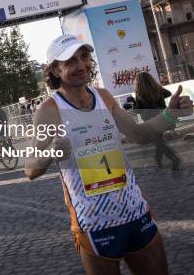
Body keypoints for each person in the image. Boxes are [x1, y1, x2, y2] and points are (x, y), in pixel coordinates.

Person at [25, 34, 192, 275]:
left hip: (135, 212)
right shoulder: (49, 110)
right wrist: (51, 152)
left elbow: (138, 134)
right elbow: (30, 169)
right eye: (70, 61)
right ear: (55, 69)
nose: (81, 66)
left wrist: (170, 114)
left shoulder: (103, 96)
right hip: (93, 224)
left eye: (84, 57)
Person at [132, 71, 181, 170]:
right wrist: (158, 90)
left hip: (150, 122)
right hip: (163, 118)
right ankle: (158, 160)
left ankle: (173, 158)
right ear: (151, 80)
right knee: (159, 141)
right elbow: (168, 93)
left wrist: (133, 103)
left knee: (158, 142)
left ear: (138, 82)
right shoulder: (157, 89)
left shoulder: (140, 93)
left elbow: (137, 110)